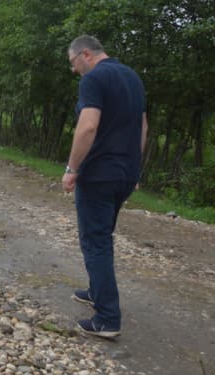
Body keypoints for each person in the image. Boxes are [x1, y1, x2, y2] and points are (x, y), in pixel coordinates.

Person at [64, 35, 147, 338]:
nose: (74, 70)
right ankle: (95, 291)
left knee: (95, 241)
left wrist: (72, 168)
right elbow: (143, 127)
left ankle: (107, 319)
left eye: (73, 63)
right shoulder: (132, 77)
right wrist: (135, 166)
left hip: (98, 173)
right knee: (102, 235)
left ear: (85, 54)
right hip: (125, 172)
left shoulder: (94, 79)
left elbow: (88, 126)